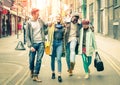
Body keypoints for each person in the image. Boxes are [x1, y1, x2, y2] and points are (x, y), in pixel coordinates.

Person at [26, 8, 47, 82]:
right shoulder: (28, 23)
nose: (38, 15)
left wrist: (50, 25)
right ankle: (31, 69)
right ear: (33, 14)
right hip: (33, 44)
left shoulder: (40, 21)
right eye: (37, 14)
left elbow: (46, 26)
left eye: (39, 14)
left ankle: (36, 75)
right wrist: (30, 46)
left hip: (41, 43)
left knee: (39, 60)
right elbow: (27, 36)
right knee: (31, 60)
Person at [48, 14, 64, 82]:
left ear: (61, 19)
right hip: (53, 43)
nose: (58, 18)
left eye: (59, 17)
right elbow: (46, 31)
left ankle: (59, 75)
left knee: (59, 59)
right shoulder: (52, 26)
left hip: (60, 43)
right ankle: (53, 72)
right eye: (57, 17)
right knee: (52, 59)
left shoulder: (63, 26)